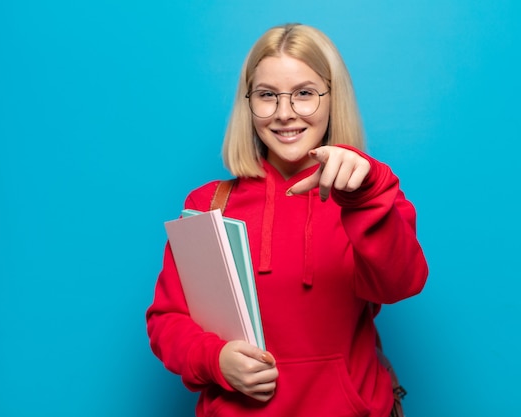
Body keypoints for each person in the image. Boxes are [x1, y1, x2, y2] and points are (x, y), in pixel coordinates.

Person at [146, 23, 429, 417]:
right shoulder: (209, 203)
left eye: (304, 94)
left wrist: (365, 194)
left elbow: (401, 283)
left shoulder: (369, 193)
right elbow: (167, 320)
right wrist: (215, 359)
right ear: (248, 103)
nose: (284, 114)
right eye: (266, 96)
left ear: (332, 98)